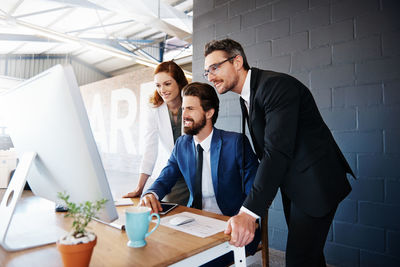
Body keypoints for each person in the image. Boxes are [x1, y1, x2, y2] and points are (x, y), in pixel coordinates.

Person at [203, 38, 355, 267]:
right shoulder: (249, 95)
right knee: (310, 257)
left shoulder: (275, 86)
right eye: (207, 72)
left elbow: (276, 151)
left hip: (316, 184)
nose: (210, 76)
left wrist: (249, 212)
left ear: (237, 61)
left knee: (298, 259)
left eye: (215, 67)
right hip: (294, 184)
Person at [140, 82, 260, 266]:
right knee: (157, 251)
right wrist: (151, 193)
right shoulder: (182, 144)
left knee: (195, 262)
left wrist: (246, 217)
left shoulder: (235, 143)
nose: (184, 115)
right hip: (194, 222)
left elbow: (256, 189)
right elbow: (166, 176)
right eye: (183, 108)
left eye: (190, 108)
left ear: (209, 113)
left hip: (231, 225)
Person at [123, 61, 189, 205]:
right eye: (158, 85)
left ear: (179, 82)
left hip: (196, 172)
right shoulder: (154, 109)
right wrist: (140, 187)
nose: (162, 90)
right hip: (173, 173)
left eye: (167, 84)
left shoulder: (192, 103)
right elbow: (150, 149)